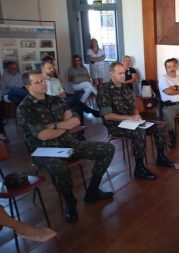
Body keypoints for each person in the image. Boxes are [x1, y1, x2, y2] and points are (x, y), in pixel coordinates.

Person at [17, 70, 115, 223]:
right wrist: (65, 125)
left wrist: (55, 125)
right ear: (27, 87)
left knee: (107, 149)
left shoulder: (55, 100)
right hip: (44, 151)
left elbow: (76, 121)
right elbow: (43, 135)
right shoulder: (25, 108)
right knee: (59, 167)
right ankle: (70, 202)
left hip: (68, 143)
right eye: (38, 82)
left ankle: (93, 191)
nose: (43, 84)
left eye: (44, 81)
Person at [98, 62, 174, 180]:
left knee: (158, 126)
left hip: (131, 121)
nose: (123, 76)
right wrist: (130, 118)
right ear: (111, 74)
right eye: (120, 73)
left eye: (124, 73)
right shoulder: (105, 90)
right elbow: (108, 116)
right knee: (139, 132)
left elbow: (133, 106)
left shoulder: (126, 88)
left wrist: (136, 116)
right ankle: (139, 167)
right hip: (116, 126)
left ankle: (161, 157)